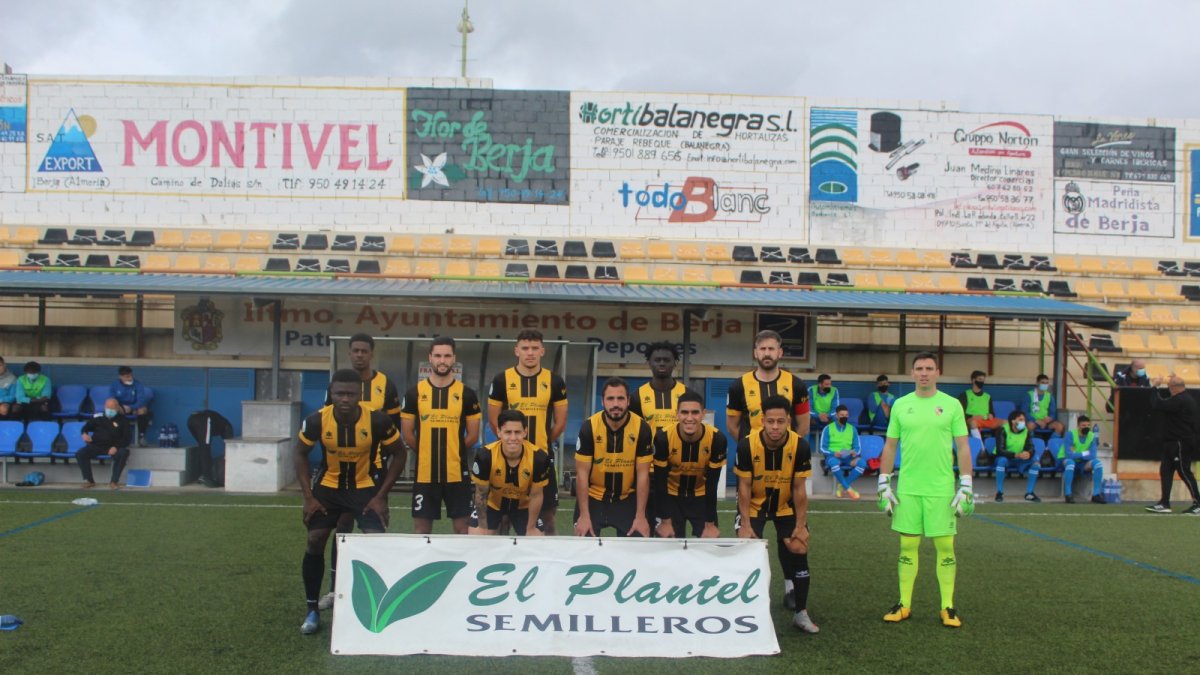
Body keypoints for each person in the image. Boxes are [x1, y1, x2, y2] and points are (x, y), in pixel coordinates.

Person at [294, 368, 406, 636]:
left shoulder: (378, 421)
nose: (345, 399)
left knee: (376, 543)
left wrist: (381, 496)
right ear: (331, 394)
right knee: (315, 540)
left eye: (350, 394)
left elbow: (399, 455)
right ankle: (312, 609)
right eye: (339, 393)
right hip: (329, 487)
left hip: (365, 488)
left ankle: (377, 607)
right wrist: (308, 497)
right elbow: (299, 453)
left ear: (360, 395)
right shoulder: (317, 421)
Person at [877, 352, 973, 628]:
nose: (924, 373)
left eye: (929, 368)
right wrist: (884, 481)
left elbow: (963, 446)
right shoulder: (900, 405)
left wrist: (965, 483)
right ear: (911, 373)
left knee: (945, 547)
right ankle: (904, 604)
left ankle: (948, 607)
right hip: (908, 489)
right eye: (919, 368)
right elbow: (890, 446)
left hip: (941, 489)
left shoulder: (952, 405)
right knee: (907, 545)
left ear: (938, 372)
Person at [317, 333, 403, 612]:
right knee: (341, 528)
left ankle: (377, 590)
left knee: (373, 529)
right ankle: (334, 589)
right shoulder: (336, 384)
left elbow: (393, 427)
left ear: (371, 353)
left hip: (374, 469)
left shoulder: (385, 385)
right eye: (355, 350)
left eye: (364, 351)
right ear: (349, 352)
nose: (359, 355)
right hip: (342, 470)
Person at [734, 394, 818, 634]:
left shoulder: (800, 445)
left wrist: (800, 525)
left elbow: (799, 489)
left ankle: (800, 613)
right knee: (746, 545)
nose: (775, 427)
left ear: (788, 421)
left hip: (786, 505)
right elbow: (744, 487)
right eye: (770, 421)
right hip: (754, 506)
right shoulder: (746, 445)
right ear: (762, 420)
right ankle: (744, 611)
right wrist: (747, 524)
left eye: (780, 421)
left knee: (798, 547)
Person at [488, 329, 568, 535]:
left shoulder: (555, 381)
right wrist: (511, 445)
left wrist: (540, 445)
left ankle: (548, 565)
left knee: (547, 518)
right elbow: (494, 421)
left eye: (534, 348)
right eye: (525, 348)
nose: (530, 353)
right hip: (507, 461)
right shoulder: (501, 380)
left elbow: (560, 423)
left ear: (543, 351)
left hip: (542, 459)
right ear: (517, 351)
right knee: (503, 519)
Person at [401, 336, 482, 535]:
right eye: (437, 355)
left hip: (456, 472)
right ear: (430, 358)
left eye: (447, 355)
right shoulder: (414, 394)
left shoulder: (467, 394)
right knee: (421, 531)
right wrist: (426, 452)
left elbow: (472, 436)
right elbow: (408, 434)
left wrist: (453, 452)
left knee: (463, 529)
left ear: (454, 358)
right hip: (425, 473)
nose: (442, 360)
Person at [574, 377, 653, 538]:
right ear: (602, 401)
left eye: (620, 398)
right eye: (610, 399)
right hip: (594, 497)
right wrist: (584, 516)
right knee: (583, 546)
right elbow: (581, 474)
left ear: (628, 401)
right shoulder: (589, 427)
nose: (615, 404)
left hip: (626, 498)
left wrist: (640, 516)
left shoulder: (642, 428)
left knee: (638, 547)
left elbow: (643, 475)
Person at [652, 390, 726, 539]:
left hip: (701, 496)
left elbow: (712, 484)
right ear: (677, 414)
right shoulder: (663, 438)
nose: (689, 418)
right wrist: (665, 520)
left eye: (695, 412)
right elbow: (660, 482)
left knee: (710, 544)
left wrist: (710, 523)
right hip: (671, 496)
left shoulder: (717, 439)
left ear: (703, 414)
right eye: (684, 412)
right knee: (668, 544)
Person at [469, 409, 550, 536]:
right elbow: (481, 494)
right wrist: (483, 526)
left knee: (535, 539)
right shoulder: (485, 456)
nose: (513, 438)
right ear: (499, 432)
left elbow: (536, 496)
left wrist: (530, 527)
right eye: (508, 432)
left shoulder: (539, 458)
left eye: (517, 432)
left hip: (523, 506)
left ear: (525, 432)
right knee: (478, 537)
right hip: (493, 504)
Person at [726, 330, 810, 444]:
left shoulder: (797, 385)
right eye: (762, 349)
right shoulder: (738, 386)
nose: (766, 353)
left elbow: (804, 426)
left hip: (786, 456)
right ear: (755, 353)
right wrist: (748, 447)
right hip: (751, 456)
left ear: (780, 352)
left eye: (771, 349)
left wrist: (789, 446)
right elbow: (732, 427)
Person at [1145, 374, 1200, 515]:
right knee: (1166, 471)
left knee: (1184, 471)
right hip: (1171, 442)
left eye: (1169, 386)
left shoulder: (1181, 400)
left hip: (1180, 443)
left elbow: (1157, 404)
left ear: (1174, 388)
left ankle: (1198, 503)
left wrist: (1155, 387)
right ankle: (1164, 502)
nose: (1168, 389)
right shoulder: (1181, 399)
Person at [629, 340, 695, 435]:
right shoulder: (637, 396)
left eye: (666, 360)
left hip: (679, 449)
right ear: (649, 363)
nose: (662, 363)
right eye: (657, 360)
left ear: (675, 363)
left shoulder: (687, 394)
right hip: (650, 449)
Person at [76, 398, 132, 489]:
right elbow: (86, 427)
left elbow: (127, 438)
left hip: (113, 447)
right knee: (81, 453)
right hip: (97, 445)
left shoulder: (123, 420)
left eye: (112, 408)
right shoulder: (98, 417)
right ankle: (89, 480)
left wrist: (116, 447)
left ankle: (114, 482)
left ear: (117, 408)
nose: (110, 410)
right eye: (108, 407)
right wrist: (84, 434)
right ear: (105, 407)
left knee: (123, 453)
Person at [992, 410, 1041, 503]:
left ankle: (1029, 493)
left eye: (1024, 420)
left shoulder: (1026, 431)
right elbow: (1000, 450)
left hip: (1020, 459)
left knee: (1035, 461)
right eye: (1021, 419)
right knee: (1001, 461)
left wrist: (1028, 453)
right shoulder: (1002, 430)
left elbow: (1031, 447)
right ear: (1013, 421)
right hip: (1006, 458)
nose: (1023, 422)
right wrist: (1015, 455)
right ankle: (999, 492)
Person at [819, 404, 866, 499]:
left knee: (862, 463)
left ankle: (842, 486)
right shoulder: (828, 428)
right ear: (836, 416)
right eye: (842, 415)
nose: (844, 417)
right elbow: (822, 448)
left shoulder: (852, 429)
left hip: (848, 457)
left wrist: (855, 452)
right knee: (834, 462)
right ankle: (849, 489)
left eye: (846, 415)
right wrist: (833, 453)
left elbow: (858, 447)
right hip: (834, 456)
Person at [1058, 415, 1106, 504]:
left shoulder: (1091, 436)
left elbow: (1093, 455)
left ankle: (1096, 494)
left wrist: (1078, 455)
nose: (1086, 427)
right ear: (1078, 426)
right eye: (1083, 425)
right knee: (1070, 463)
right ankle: (1068, 494)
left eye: (1088, 425)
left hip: (1082, 463)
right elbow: (1069, 455)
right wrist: (1084, 453)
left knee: (1097, 463)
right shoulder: (1070, 434)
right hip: (1066, 460)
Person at [110, 366, 154, 446]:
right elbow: (112, 399)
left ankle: (141, 437)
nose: (130, 378)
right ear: (121, 377)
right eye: (127, 377)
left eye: (131, 375)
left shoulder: (138, 385)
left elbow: (141, 401)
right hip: (121, 408)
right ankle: (113, 437)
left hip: (134, 408)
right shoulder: (114, 385)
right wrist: (121, 407)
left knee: (143, 410)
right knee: (111, 405)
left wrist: (131, 408)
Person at [958, 370, 1001, 440]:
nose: (982, 382)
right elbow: (960, 413)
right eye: (980, 379)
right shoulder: (965, 395)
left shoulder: (987, 396)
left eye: (983, 380)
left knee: (1006, 422)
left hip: (986, 420)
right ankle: (981, 447)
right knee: (973, 422)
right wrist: (973, 417)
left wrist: (991, 415)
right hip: (972, 420)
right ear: (973, 380)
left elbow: (992, 413)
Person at [808, 374, 840, 439]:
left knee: (837, 418)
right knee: (805, 418)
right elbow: (808, 408)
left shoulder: (834, 390)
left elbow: (836, 409)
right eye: (827, 384)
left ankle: (835, 445)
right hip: (814, 418)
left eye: (830, 384)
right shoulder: (811, 390)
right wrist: (818, 415)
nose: (829, 386)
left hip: (829, 418)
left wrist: (827, 415)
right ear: (820, 384)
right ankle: (804, 445)